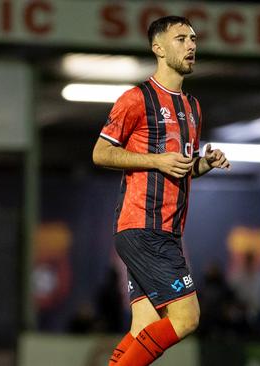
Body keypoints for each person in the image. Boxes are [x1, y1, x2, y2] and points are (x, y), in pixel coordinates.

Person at [92, 15, 231, 366]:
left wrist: (204, 162)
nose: (191, 45)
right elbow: (101, 153)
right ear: (158, 48)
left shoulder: (192, 107)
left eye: (194, 38)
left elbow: (180, 166)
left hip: (165, 231)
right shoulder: (136, 99)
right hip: (143, 227)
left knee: (145, 326)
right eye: (181, 39)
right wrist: (157, 160)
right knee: (187, 318)